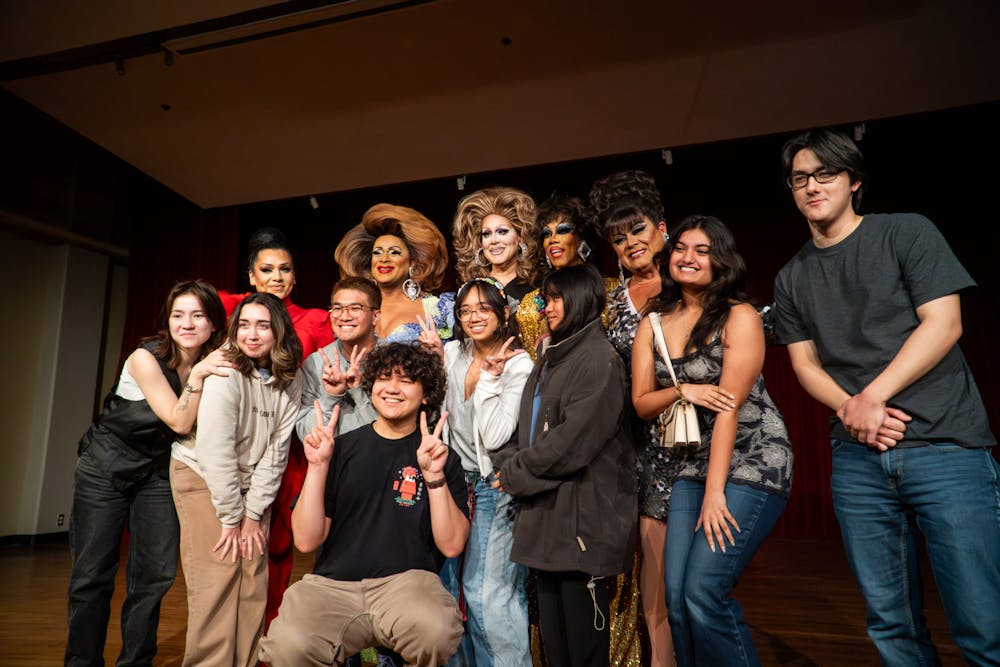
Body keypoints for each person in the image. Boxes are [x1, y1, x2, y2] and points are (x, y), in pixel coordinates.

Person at [773, 128, 999, 666]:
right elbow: (804, 365)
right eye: (800, 178)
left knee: (982, 622)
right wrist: (852, 409)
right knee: (891, 625)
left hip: (945, 447)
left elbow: (944, 324)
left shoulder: (906, 232)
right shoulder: (790, 276)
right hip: (858, 459)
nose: (812, 186)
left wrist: (870, 397)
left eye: (825, 174)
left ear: (853, 181)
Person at [633, 215, 793, 666]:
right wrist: (682, 390)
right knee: (677, 598)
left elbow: (728, 407)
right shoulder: (653, 323)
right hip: (691, 460)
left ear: (721, 260)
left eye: (702, 251)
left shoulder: (739, 316)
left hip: (752, 455)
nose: (688, 258)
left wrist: (715, 493)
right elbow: (642, 403)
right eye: (681, 248)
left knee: (703, 590)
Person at [259, 343, 469, 667]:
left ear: (426, 394)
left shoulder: (440, 457)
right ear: (371, 387)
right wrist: (318, 467)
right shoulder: (340, 449)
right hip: (332, 587)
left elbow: (452, 545)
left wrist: (434, 477)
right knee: (287, 645)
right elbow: (306, 540)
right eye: (384, 378)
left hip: (407, 587)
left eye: (406, 380)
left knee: (435, 630)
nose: (392, 388)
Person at [66, 280, 229, 667]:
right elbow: (178, 420)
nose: (186, 324)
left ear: (213, 323)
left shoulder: (216, 360)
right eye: (177, 315)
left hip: (156, 471)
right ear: (166, 321)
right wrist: (199, 376)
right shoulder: (146, 357)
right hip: (105, 466)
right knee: (92, 574)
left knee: (155, 576)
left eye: (197, 315)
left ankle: (136, 662)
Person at [495, 263, 636, 667]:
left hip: (581, 526)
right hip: (546, 522)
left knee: (583, 650)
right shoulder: (551, 357)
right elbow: (525, 430)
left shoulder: (599, 360)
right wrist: (506, 462)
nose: (548, 308)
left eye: (556, 299)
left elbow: (570, 444)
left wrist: (513, 473)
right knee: (556, 648)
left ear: (580, 300)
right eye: (545, 300)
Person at [170, 292, 303, 667]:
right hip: (204, 474)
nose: (252, 334)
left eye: (262, 326)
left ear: (279, 331)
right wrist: (232, 517)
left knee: (253, 580)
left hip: (251, 482)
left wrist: (254, 513)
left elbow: (276, 451)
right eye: (244, 325)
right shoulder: (225, 369)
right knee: (219, 579)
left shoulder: (289, 376)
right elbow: (216, 450)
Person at [219, 226, 334, 628]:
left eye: (285, 269)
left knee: (278, 545)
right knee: (232, 544)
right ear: (252, 276)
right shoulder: (234, 312)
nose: (276, 277)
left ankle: (267, 635)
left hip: (289, 448)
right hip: (237, 447)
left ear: (295, 277)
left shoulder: (315, 320)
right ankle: (231, 636)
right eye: (266, 270)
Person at [422, 277, 534, 666]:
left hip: (494, 487)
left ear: (503, 313)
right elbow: (440, 414)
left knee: (489, 595)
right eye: (466, 310)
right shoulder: (453, 352)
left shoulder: (519, 364)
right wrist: (436, 362)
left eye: (483, 308)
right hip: (455, 484)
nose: (474, 317)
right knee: (449, 592)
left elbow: (497, 435)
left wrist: (489, 379)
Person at [590, 169, 675, 667]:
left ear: (662, 227)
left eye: (638, 230)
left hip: (694, 441)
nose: (630, 243)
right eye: (619, 238)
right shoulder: (611, 300)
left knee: (694, 585)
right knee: (653, 586)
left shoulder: (689, 281)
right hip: (637, 449)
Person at [335, 203, 454, 344]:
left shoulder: (438, 309)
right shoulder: (351, 309)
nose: (384, 259)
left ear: (412, 262)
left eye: (394, 252)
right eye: (377, 253)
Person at [516, 196, 617, 360]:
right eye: (546, 234)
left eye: (562, 230)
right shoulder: (530, 307)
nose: (553, 239)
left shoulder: (613, 292)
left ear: (581, 238)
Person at [296, 276, 381, 443]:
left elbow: (395, 432)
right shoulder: (316, 363)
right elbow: (307, 435)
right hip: (331, 457)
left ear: (375, 316)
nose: (344, 316)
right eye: (337, 308)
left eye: (355, 308)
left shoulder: (394, 360)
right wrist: (331, 396)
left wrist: (358, 391)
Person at [452, 187, 540, 303]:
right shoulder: (471, 289)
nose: (493, 240)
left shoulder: (538, 287)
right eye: (486, 234)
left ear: (520, 237)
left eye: (502, 232)